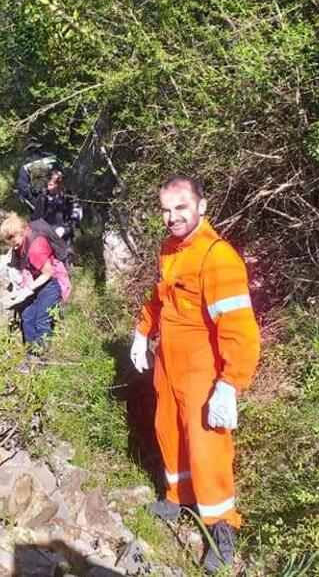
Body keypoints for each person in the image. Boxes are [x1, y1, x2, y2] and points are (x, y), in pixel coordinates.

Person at [129, 176, 260, 573]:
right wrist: (141, 331)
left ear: (202, 206)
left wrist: (230, 383)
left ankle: (223, 528)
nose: (172, 217)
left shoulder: (217, 257)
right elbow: (159, 297)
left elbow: (240, 328)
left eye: (180, 208)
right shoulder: (170, 250)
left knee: (208, 449)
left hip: (203, 369)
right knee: (168, 429)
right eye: (165, 210)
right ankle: (178, 494)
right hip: (169, 363)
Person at [0, 213, 72, 359]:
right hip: (34, 279)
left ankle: (42, 359)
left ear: (21, 232)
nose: (14, 248)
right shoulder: (21, 239)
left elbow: (48, 273)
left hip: (50, 282)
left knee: (42, 319)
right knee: (27, 315)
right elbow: (17, 261)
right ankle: (31, 354)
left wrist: (27, 290)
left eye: (16, 245)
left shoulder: (35, 247)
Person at [17, 157, 82, 250]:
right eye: (47, 184)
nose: (48, 187)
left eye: (51, 185)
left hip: (65, 239)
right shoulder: (42, 198)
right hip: (46, 239)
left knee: (66, 258)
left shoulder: (69, 198)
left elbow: (76, 217)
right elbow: (36, 220)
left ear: (59, 185)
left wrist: (64, 229)